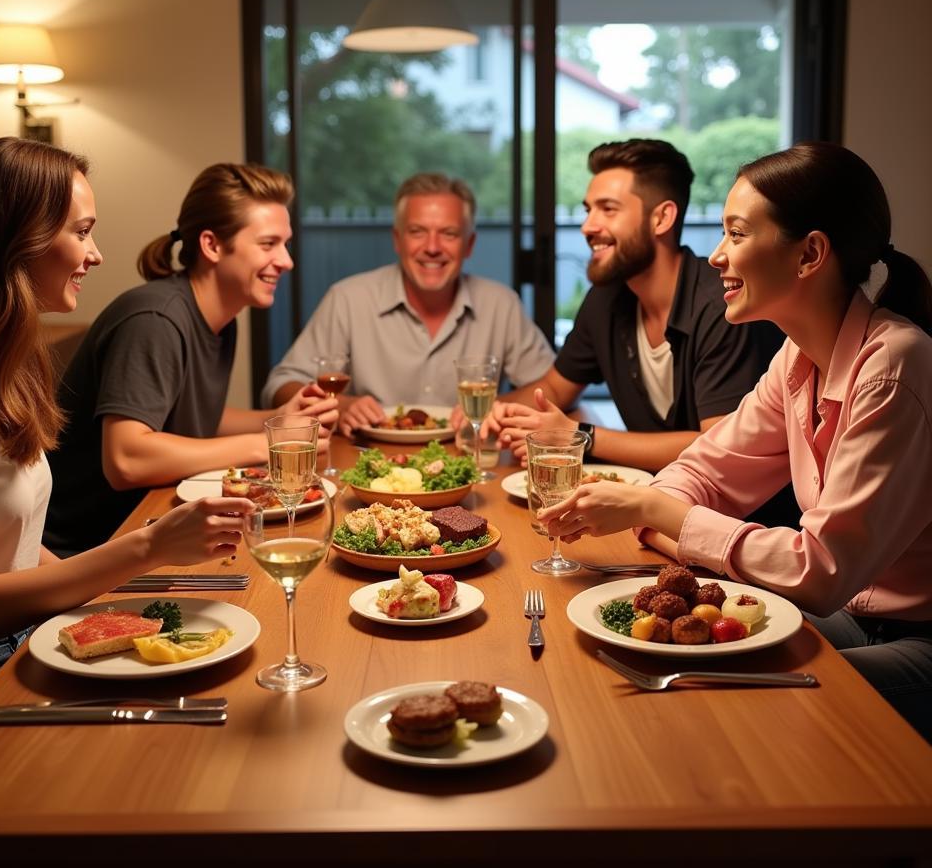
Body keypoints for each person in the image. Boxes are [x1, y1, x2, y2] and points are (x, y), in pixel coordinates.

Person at [540, 142, 932, 740]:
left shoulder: (895, 363)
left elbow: (821, 570)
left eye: (738, 234)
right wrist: (655, 509)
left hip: (916, 635)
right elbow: (706, 469)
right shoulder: (798, 357)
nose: (718, 256)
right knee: (651, 668)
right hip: (853, 615)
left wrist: (652, 509)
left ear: (809, 255)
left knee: (738, 708)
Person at [0, 138, 256, 768]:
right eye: (83, 232)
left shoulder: (2, 364)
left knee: (208, 696)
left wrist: (110, 600)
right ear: (17, 237)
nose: (96, 254)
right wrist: (143, 549)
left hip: (7, 638)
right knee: (146, 757)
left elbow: (15, 544)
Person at [43, 163, 337, 558]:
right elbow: (127, 459)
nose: (287, 261)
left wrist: (281, 422)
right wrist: (267, 445)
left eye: (285, 244)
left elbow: (194, 418)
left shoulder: (218, 317)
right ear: (212, 245)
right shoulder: (156, 320)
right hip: (86, 550)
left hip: (150, 533)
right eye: (269, 244)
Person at [487, 139, 784, 472]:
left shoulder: (724, 305)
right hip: (654, 500)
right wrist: (495, 409)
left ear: (661, 218)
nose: (588, 226)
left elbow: (719, 445)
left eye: (608, 209)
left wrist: (580, 435)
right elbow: (557, 387)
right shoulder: (607, 298)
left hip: (738, 517)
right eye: (588, 210)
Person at [261, 172, 556, 435]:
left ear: (469, 244)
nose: (431, 248)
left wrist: (497, 406)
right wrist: (338, 404)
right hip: (368, 467)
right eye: (417, 232)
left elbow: (551, 389)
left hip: (471, 464)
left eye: (449, 234)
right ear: (397, 240)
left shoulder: (501, 305)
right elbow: (281, 385)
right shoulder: (348, 298)